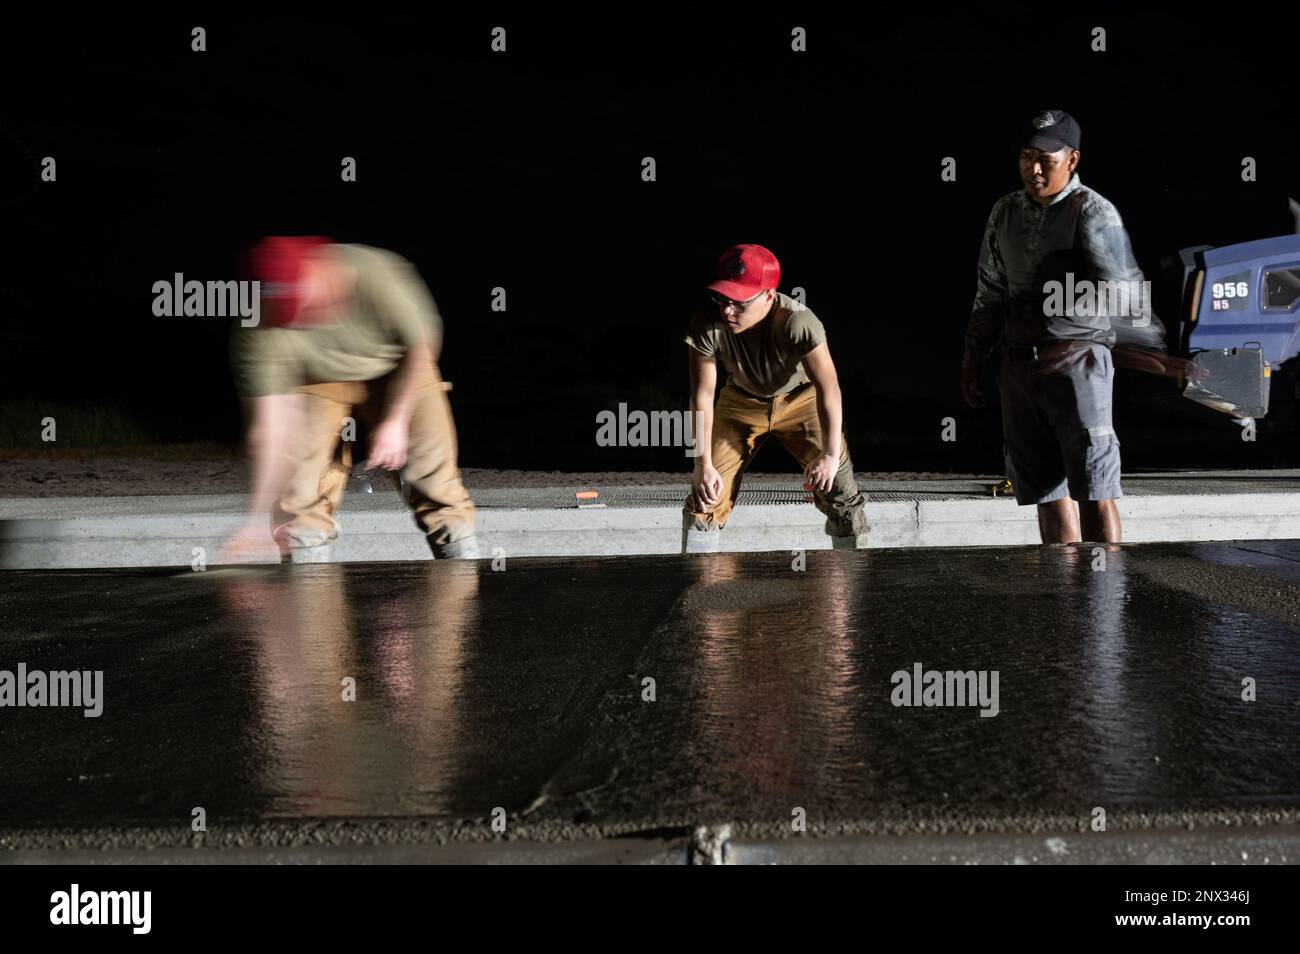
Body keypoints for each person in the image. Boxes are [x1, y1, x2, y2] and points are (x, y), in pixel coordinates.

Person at [961, 109, 1159, 544]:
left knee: (1095, 487)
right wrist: (973, 357)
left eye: (1046, 159)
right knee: (1046, 492)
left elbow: (1126, 290)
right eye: (1026, 156)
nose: (1034, 169)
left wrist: (1129, 344)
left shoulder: (1093, 212)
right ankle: (1064, 599)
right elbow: (990, 289)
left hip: (1078, 367)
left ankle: (1103, 596)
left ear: (1072, 160)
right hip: (1019, 368)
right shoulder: (1005, 211)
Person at [223, 236, 478, 562]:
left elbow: (421, 346)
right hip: (317, 380)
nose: (300, 318)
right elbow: (270, 431)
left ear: (320, 272)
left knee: (430, 467)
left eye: (304, 302)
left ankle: (461, 566)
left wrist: (395, 422)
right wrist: (256, 521)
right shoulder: (258, 327)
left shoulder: (374, 274)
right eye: (288, 313)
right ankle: (307, 571)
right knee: (300, 481)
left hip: (399, 366)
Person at [682, 243, 868, 553]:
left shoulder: (798, 321)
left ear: (769, 296)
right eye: (722, 299)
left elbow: (829, 388)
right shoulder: (706, 323)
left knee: (841, 492)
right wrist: (702, 464)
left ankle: (848, 587)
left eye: (739, 303)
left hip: (802, 400)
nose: (727, 311)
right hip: (741, 403)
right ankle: (697, 588)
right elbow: (701, 396)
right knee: (706, 496)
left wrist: (831, 455)